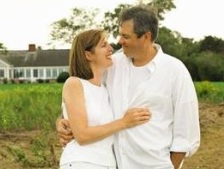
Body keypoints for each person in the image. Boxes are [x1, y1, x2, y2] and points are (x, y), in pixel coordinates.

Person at [56, 5, 200, 169]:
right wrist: (62, 121)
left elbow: (186, 133)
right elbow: (85, 96)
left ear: (146, 36)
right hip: (113, 164)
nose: (119, 41)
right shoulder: (112, 65)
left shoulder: (175, 71)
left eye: (126, 36)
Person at [59, 29, 151, 169]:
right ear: (88, 54)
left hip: (107, 163)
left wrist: (60, 121)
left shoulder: (105, 89)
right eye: (103, 45)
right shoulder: (74, 83)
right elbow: (82, 135)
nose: (110, 49)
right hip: (82, 162)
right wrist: (124, 122)